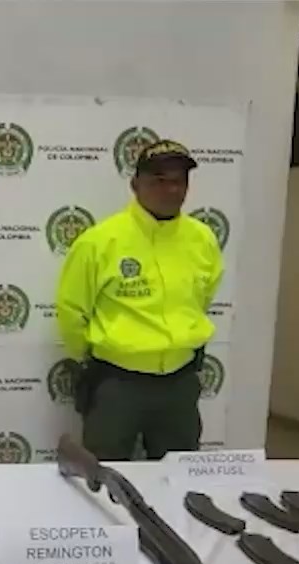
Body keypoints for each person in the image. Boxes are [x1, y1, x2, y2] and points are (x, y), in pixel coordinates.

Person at [55, 139, 223, 460]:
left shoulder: (203, 239)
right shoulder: (99, 241)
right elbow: (72, 311)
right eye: (158, 180)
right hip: (118, 383)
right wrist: (99, 356)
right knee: (105, 473)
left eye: (179, 181)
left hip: (180, 383)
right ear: (135, 185)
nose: (171, 190)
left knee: (180, 475)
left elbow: (202, 299)